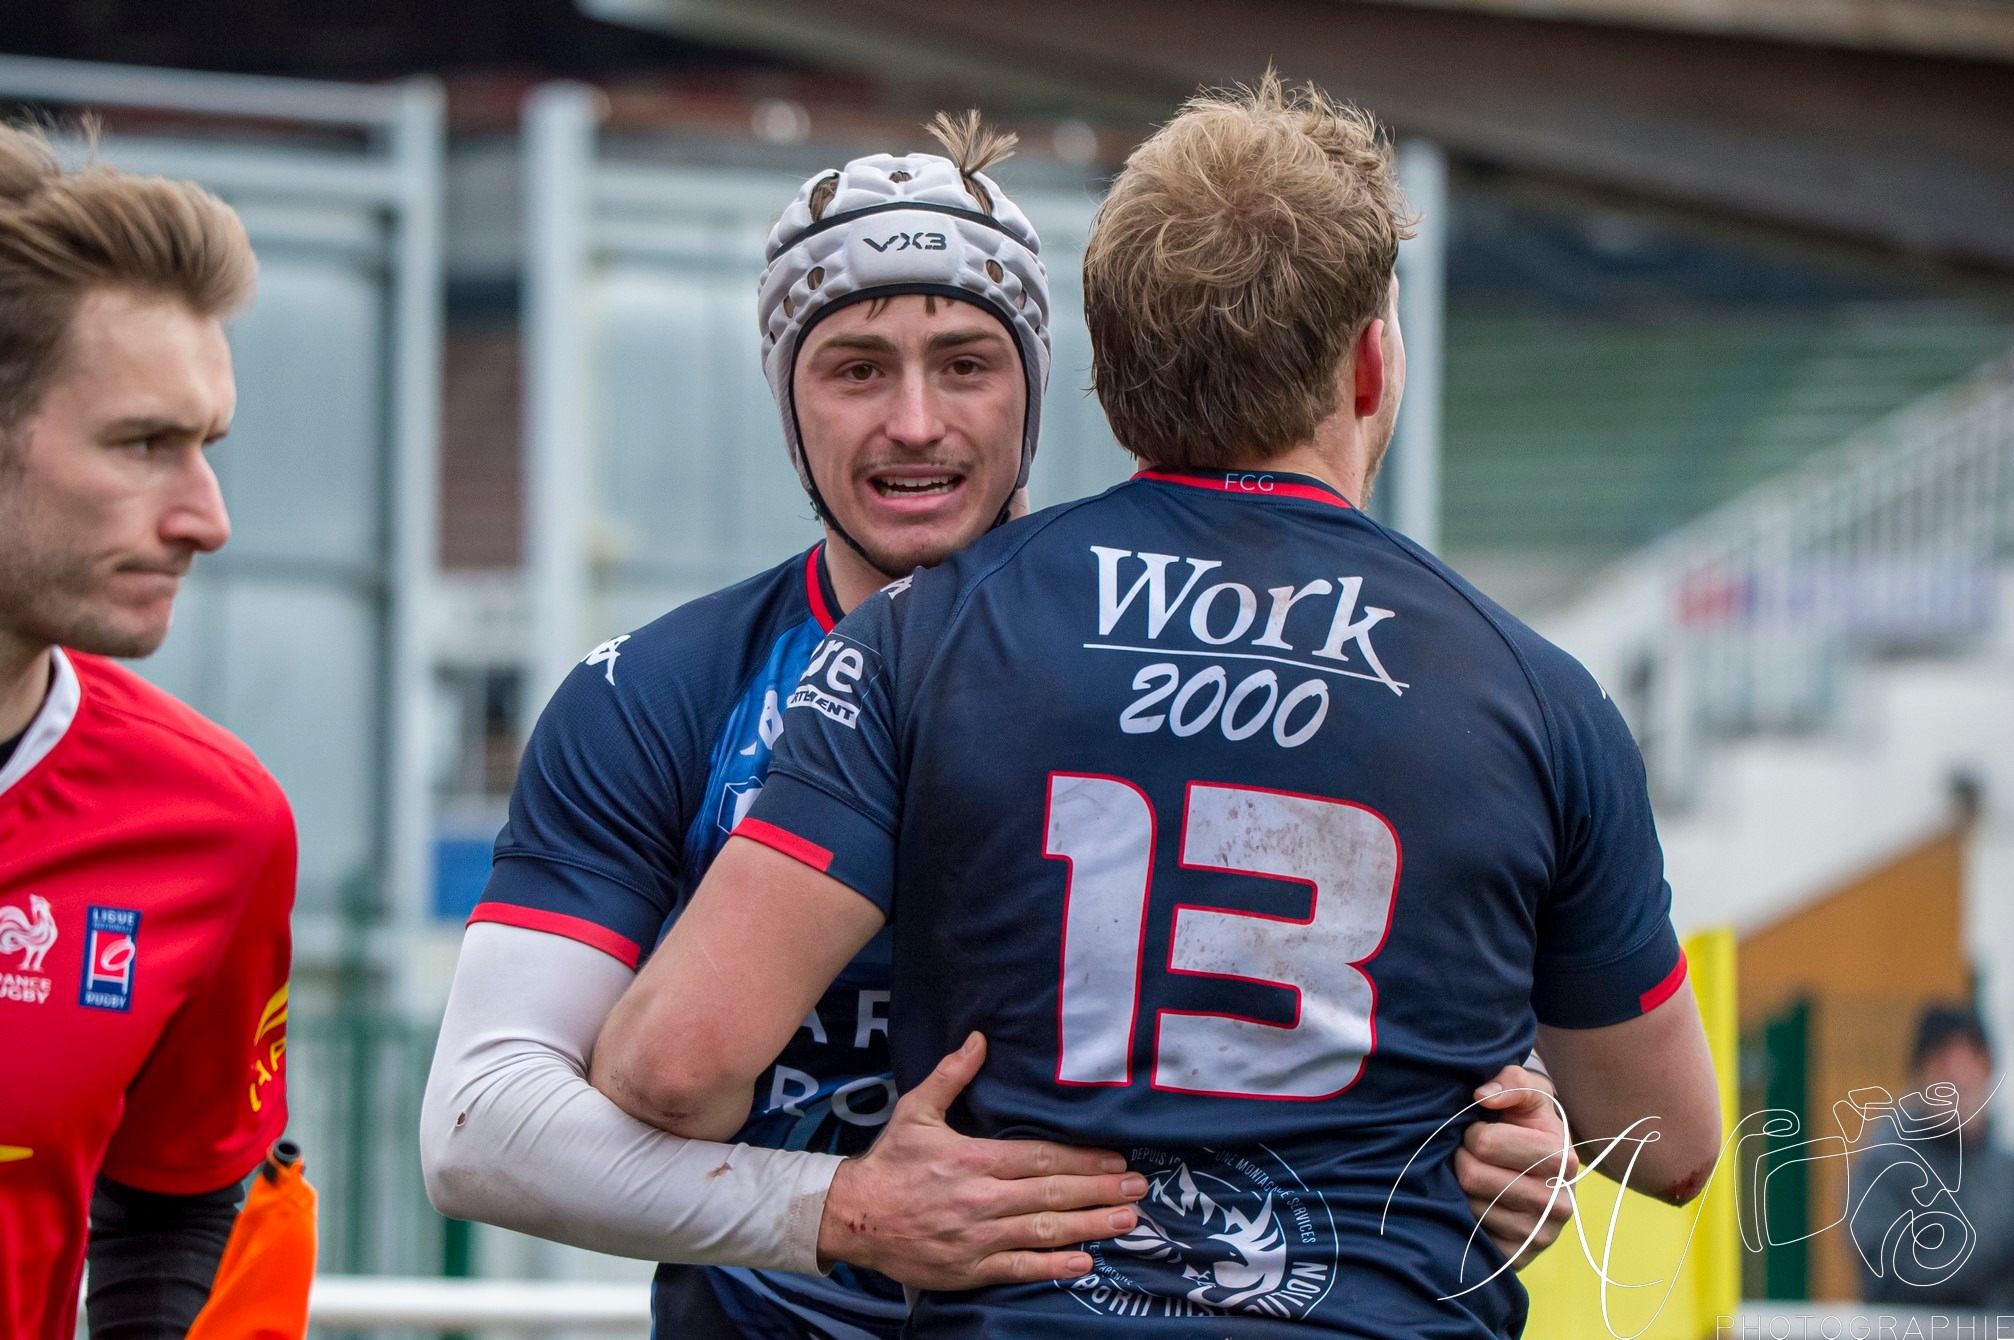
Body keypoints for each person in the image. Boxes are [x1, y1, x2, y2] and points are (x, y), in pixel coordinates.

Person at [590, 74, 1721, 1339]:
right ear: (1367, 362)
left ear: (1107, 377)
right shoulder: (1534, 693)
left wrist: (854, 1190)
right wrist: (1540, 1122)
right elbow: (1669, 1144)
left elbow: (672, 1069)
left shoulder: (925, 632)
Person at [0, 124, 294, 1339]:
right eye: (141, 445)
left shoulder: (217, 823)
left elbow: (182, 1204)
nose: (206, 518)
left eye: (206, 446)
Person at [1850, 1004, 2014, 1307]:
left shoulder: (2004, 1170)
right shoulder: (1886, 1164)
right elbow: (1890, 1278)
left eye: (1971, 1060)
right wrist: (1994, 1251)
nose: (1958, 1078)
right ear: (1920, 1072)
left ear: (1988, 1070)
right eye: (1943, 1062)